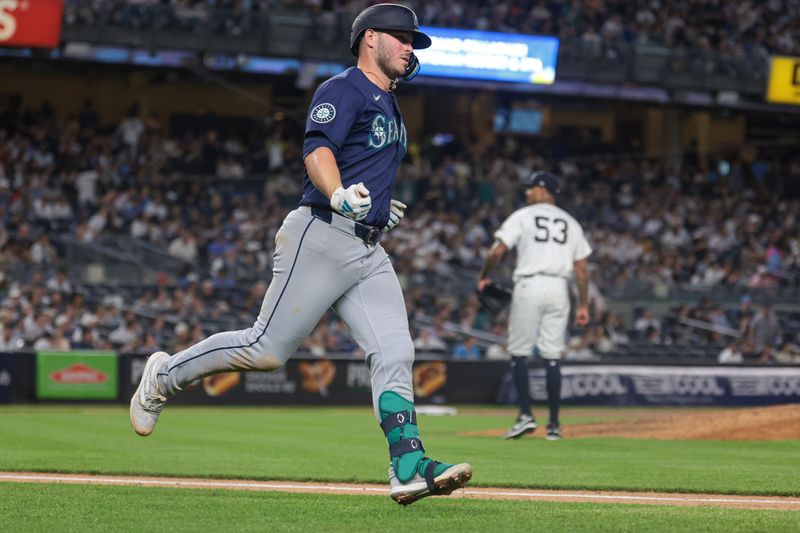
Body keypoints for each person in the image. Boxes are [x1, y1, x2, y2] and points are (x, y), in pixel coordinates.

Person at [129, 4, 471, 506]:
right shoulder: (343, 88)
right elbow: (318, 151)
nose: (409, 47)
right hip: (322, 232)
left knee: (397, 352)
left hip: (367, 245)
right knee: (264, 350)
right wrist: (336, 194)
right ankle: (163, 375)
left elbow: (363, 160)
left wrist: (378, 209)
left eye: (413, 42)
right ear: (369, 38)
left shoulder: (392, 103)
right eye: (402, 37)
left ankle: (408, 464)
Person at [477, 172, 591, 441]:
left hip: (530, 284)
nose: (526, 192)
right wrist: (583, 304)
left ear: (544, 189)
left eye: (531, 188)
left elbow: (496, 251)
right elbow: (582, 269)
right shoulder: (571, 222)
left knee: (519, 352)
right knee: (552, 355)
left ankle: (525, 415)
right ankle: (553, 425)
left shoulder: (523, 215)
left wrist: (484, 276)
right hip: (559, 288)